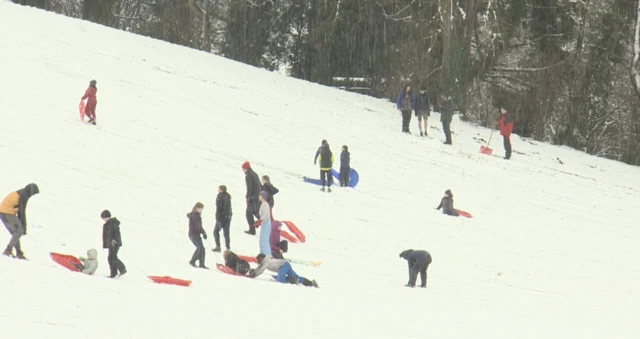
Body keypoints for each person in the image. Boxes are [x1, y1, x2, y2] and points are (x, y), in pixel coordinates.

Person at [0, 183, 39, 259]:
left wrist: (23, 226)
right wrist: (24, 227)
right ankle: (8, 250)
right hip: (6, 212)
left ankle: (19, 252)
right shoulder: (24, 196)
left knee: (16, 232)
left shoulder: (22, 192)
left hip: (4, 211)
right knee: (19, 231)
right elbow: (21, 212)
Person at [248, 254, 318, 288]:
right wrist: (254, 271)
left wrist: (254, 275)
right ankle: (311, 283)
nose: (258, 262)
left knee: (280, 280)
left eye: (258, 260)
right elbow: (260, 267)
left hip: (283, 266)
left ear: (261, 258)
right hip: (286, 264)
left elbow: (261, 269)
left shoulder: (266, 261)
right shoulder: (266, 260)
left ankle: (292, 280)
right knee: (297, 277)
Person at [101, 210, 127, 278]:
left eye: (103, 218)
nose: (103, 220)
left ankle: (118, 271)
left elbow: (117, 233)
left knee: (112, 258)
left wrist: (114, 240)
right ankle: (118, 271)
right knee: (112, 258)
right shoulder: (107, 224)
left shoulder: (113, 223)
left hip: (114, 243)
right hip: (111, 244)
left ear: (107, 217)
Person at [242, 161, 262, 235]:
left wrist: (248, 197)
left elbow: (249, 187)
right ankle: (268, 227)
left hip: (252, 197)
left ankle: (252, 230)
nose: (243, 170)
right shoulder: (255, 174)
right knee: (256, 212)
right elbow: (260, 185)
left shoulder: (248, 176)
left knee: (249, 214)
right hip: (258, 197)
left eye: (243, 168)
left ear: (246, 168)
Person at [187, 202, 208, 268]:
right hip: (193, 234)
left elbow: (199, 226)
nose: (201, 210)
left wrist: (203, 232)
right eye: (200, 209)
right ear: (196, 208)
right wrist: (203, 233)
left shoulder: (197, 215)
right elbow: (198, 226)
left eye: (202, 209)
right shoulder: (195, 215)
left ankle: (202, 264)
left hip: (195, 234)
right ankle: (192, 261)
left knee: (202, 248)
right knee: (200, 248)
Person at [213, 186, 232, 252]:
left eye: (218, 189)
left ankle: (218, 246)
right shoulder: (228, 197)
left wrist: (217, 218)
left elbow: (219, 208)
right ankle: (228, 247)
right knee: (226, 233)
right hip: (228, 217)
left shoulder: (219, 197)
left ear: (221, 190)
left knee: (215, 231)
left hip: (221, 217)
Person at [258, 191, 272, 256]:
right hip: (264, 223)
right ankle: (263, 253)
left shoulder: (265, 204)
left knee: (264, 240)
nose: (259, 197)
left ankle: (265, 254)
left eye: (260, 195)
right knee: (262, 239)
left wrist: (260, 220)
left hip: (266, 223)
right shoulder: (263, 204)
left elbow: (266, 214)